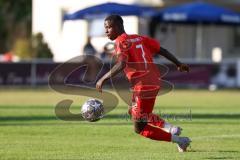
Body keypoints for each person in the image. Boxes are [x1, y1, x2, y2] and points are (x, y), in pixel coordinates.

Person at [96, 15, 191, 152]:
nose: (106, 31)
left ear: (117, 27)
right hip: (153, 82)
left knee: (139, 128)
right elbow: (162, 50)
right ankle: (171, 128)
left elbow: (122, 64)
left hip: (143, 87)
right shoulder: (139, 38)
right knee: (133, 111)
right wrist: (179, 64)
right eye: (105, 28)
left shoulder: (120, 41)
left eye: (108, 27)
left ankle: (181, 141)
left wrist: (103, 78)